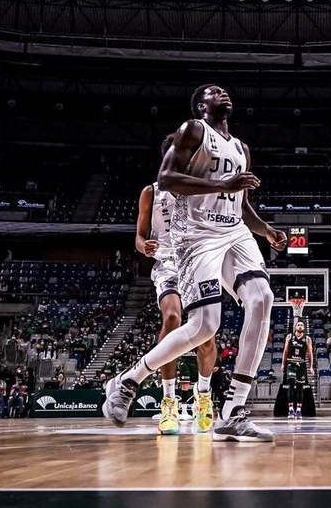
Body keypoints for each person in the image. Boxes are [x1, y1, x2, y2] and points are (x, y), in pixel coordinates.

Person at [103, 84, 288, 442]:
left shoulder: (241, 148)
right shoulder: (193, 130)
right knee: (205, 326)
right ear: (201, 105)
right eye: (215, 92)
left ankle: (233, 410)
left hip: (235, 232)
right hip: (197, 236)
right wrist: (223, 183)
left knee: (263, 297)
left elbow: (240, 203)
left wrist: (265, 230)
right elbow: (166, 178)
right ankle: (128, 380)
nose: (224, 94)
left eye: (225, 91)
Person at [135, 135, 218, 436]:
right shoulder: (151, 192)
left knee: (206, 335)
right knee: (172, 318)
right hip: (168, 264)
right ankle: (168, 401)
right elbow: (139, 236)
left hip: (198, 263)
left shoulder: (200, 189)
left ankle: (204, 397)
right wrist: (144, 246)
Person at [280, 320, 313, 419]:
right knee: (291, 384)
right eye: (298, 325)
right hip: (291, 363)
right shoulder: (289, 336)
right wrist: (283, 364)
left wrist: (311, 367)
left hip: (302, 364)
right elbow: (285, 351)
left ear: (304, 328)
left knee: (300, 388)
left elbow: (310, 354)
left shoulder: (307, 339)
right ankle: (290, 410)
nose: (300, 326)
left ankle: (298, 411)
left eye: (301, 325)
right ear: (295, 327)